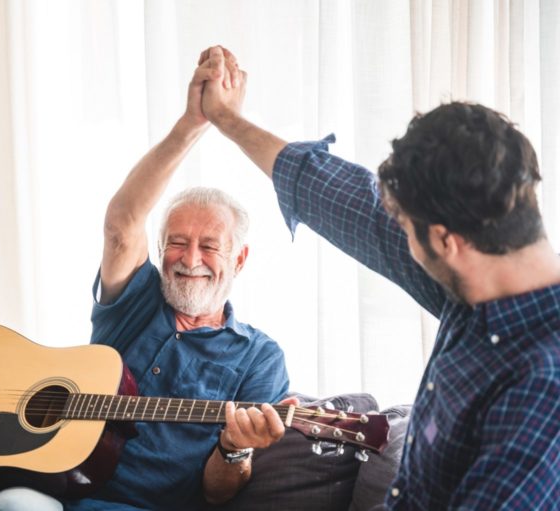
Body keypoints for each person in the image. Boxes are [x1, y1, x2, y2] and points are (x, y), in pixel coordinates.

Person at [197, 45, 560, 509]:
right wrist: (226, 118)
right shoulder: (484, 268)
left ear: (446, 241)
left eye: (406, 229)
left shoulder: (541, 387)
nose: (399, 239)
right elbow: (347, 201)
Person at [0, 49, 294, 511]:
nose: (190, 259)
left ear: (240, 258)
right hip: (59, 493)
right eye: (176, 241)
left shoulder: (259, 357)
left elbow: (218, 492)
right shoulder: (137, 300)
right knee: (10, 504)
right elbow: (122, 222)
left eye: (209, 245)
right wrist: (194, 121)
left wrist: (234, 448)